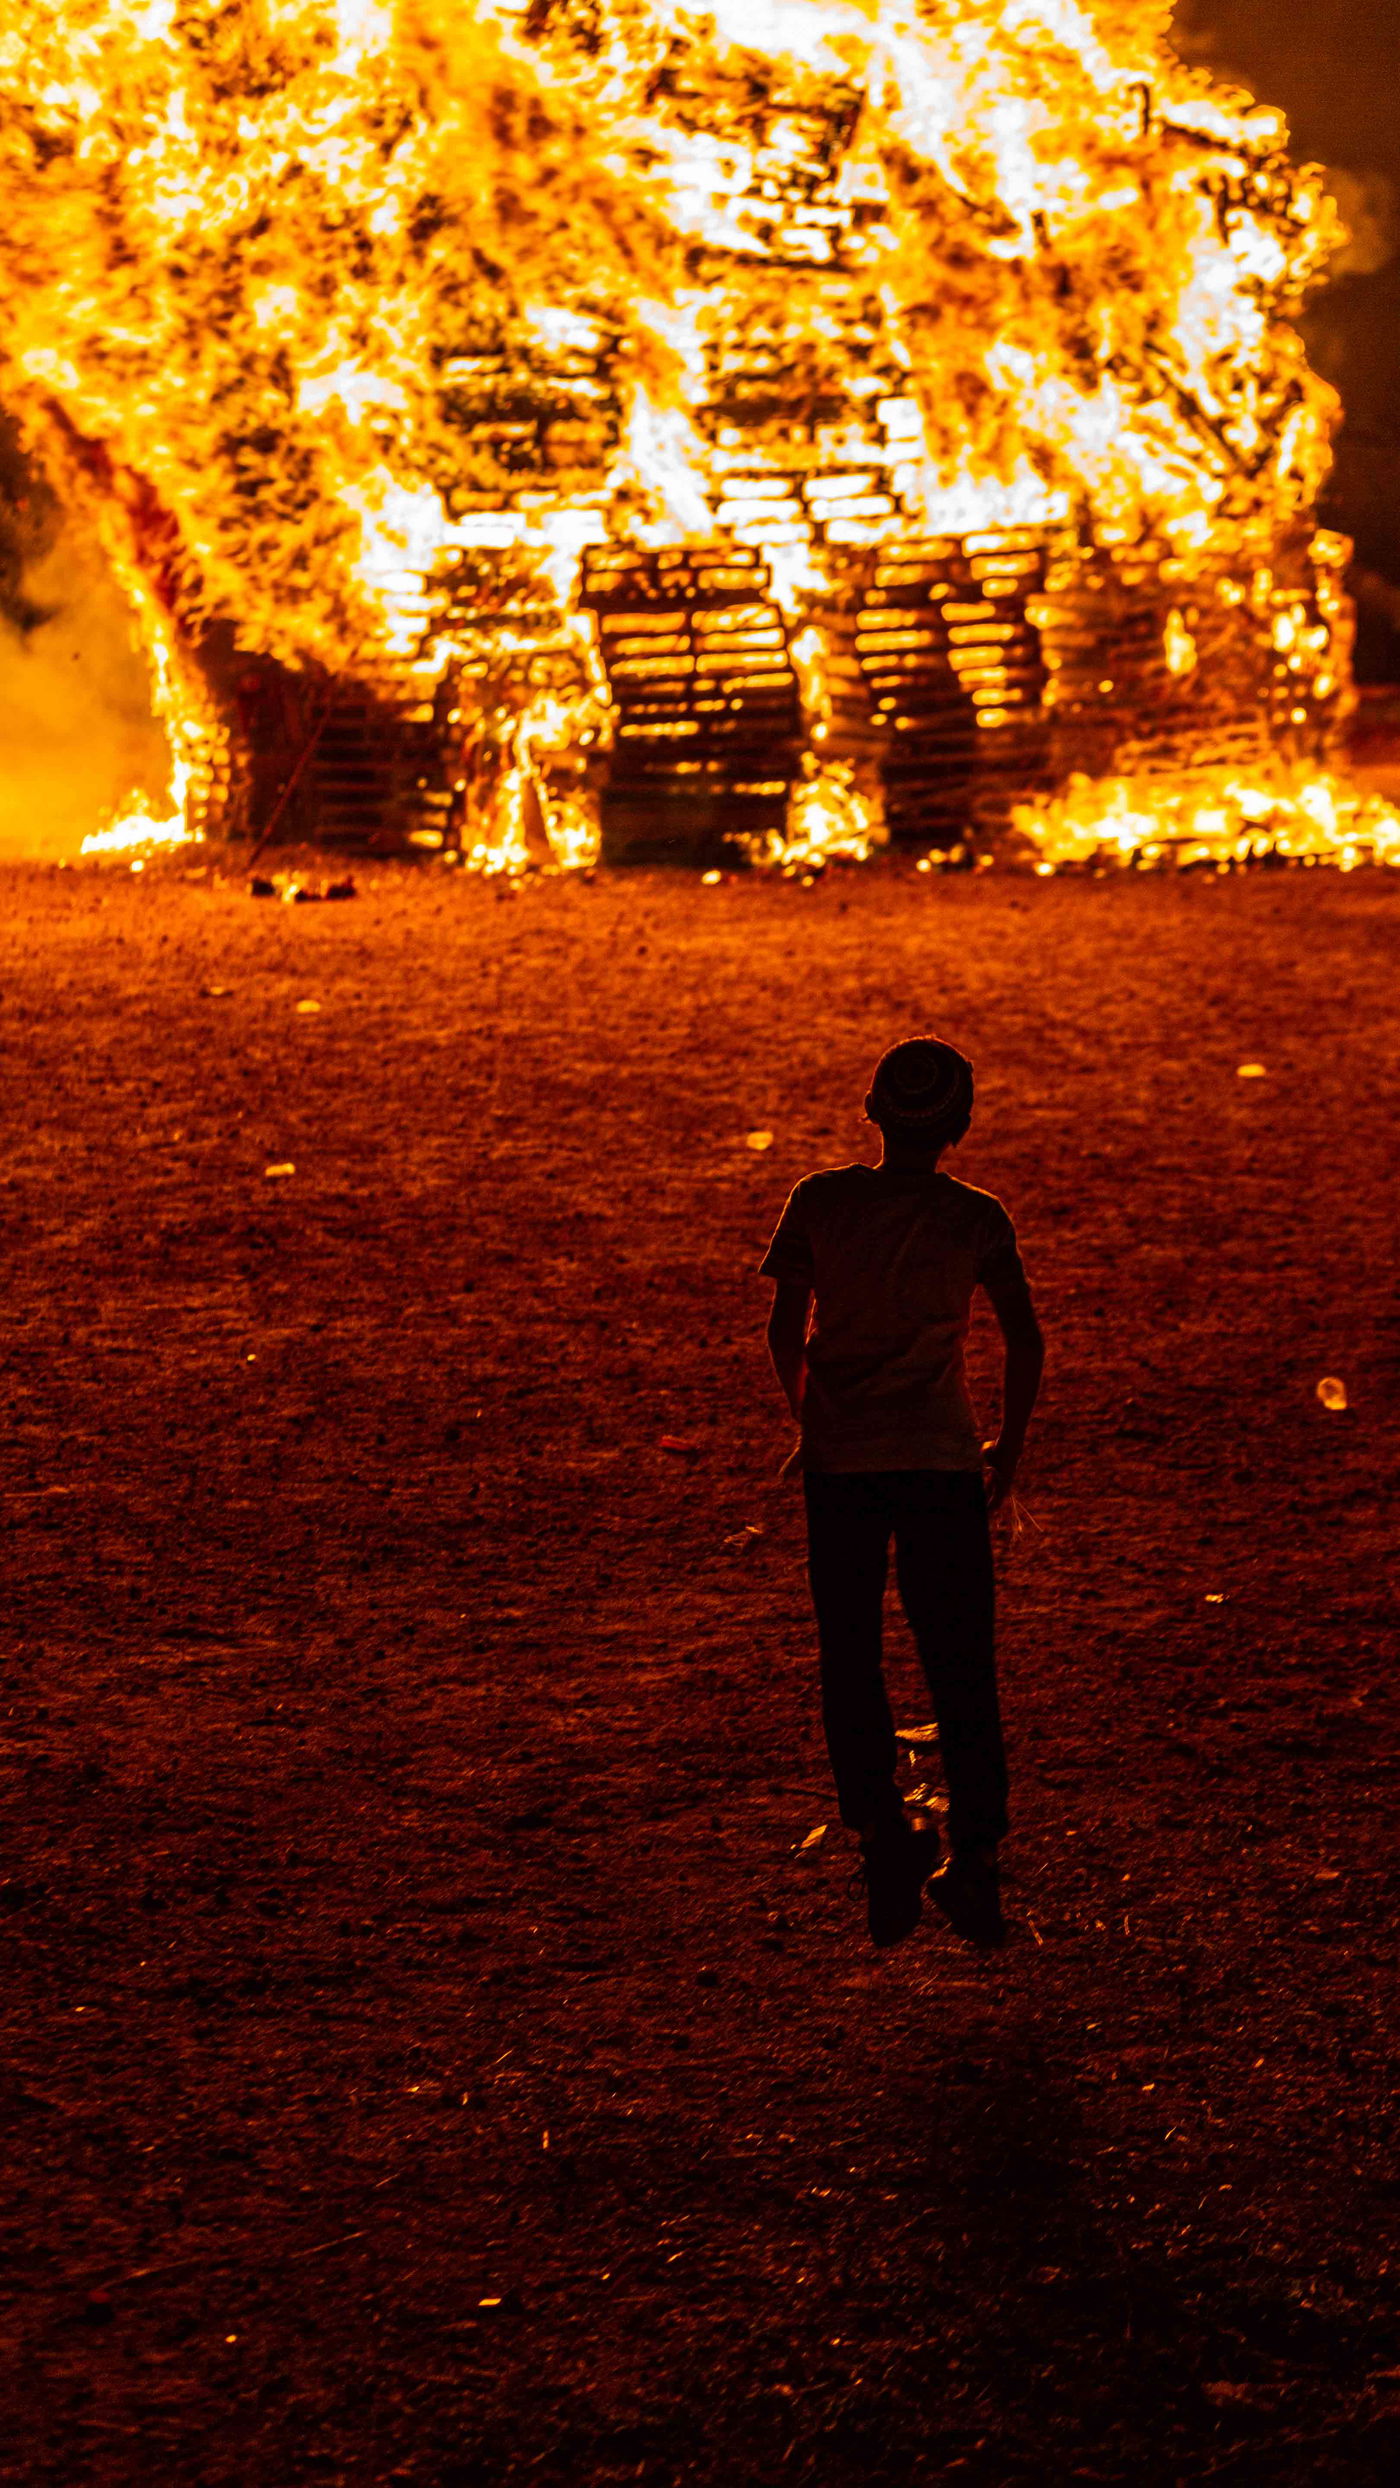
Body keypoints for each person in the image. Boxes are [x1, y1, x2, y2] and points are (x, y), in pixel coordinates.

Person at [761, 1037, 1043, 1951]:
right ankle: (978, 1861)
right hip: (940, 1464)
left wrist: (813, 1419)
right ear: (961, 1125)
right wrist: (1007, 1450)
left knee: (849, 1655)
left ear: (873, 1112)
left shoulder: (818, 1200)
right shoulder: (977, 1218)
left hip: (841, 1466)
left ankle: (882, 1832)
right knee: (961, 1661)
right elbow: (1025, 1339)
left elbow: (782, 1329)